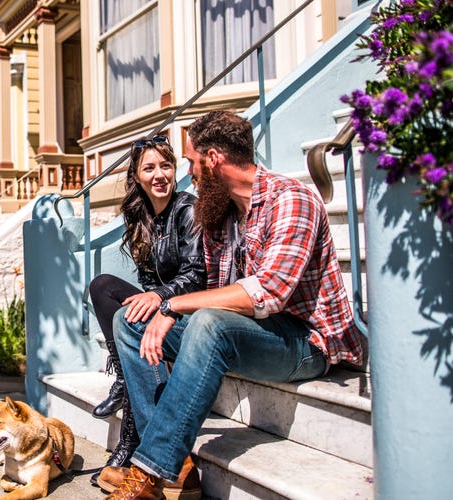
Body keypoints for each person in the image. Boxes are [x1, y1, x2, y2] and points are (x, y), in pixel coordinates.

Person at [100, 111, 364, 500]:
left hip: (305, 342)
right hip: (248, 333)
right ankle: (180, 464)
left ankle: (148, 472)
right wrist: (164, 308)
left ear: (213, 159)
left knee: (208, 322)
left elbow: (269, 291)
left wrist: (173, 306)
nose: (187, 172)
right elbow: (216, 288)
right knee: (129, 320)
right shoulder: (220, 213)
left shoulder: (292, 199)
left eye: (190, 161)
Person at [88, 137, 206, 489]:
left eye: (166, 166)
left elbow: (197, 273)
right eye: (149, 168)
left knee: (129, 320)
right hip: (159, 301)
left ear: (175, 169)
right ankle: (126, 380)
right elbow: (146, 277)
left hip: (186, 307)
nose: (159, 175)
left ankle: (130, 445)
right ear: (137, 176)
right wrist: (152, 298)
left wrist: (159, 298)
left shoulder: (188, 209)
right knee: (102, 286)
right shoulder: (138, 215)